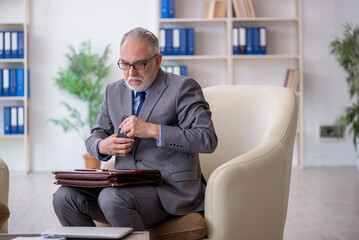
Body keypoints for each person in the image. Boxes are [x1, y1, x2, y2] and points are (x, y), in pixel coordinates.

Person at [53, 27, 218, 230]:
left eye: (139, 64)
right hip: (122, 186)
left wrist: (152, 130)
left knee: (112, 198)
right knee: (63, 197)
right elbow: (94, 137)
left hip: (169, 191)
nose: (131, 73)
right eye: (124, 64)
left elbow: (207, 139)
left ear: (157, 60)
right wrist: (102, 146)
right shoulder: (112, 91)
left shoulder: (183, 88)